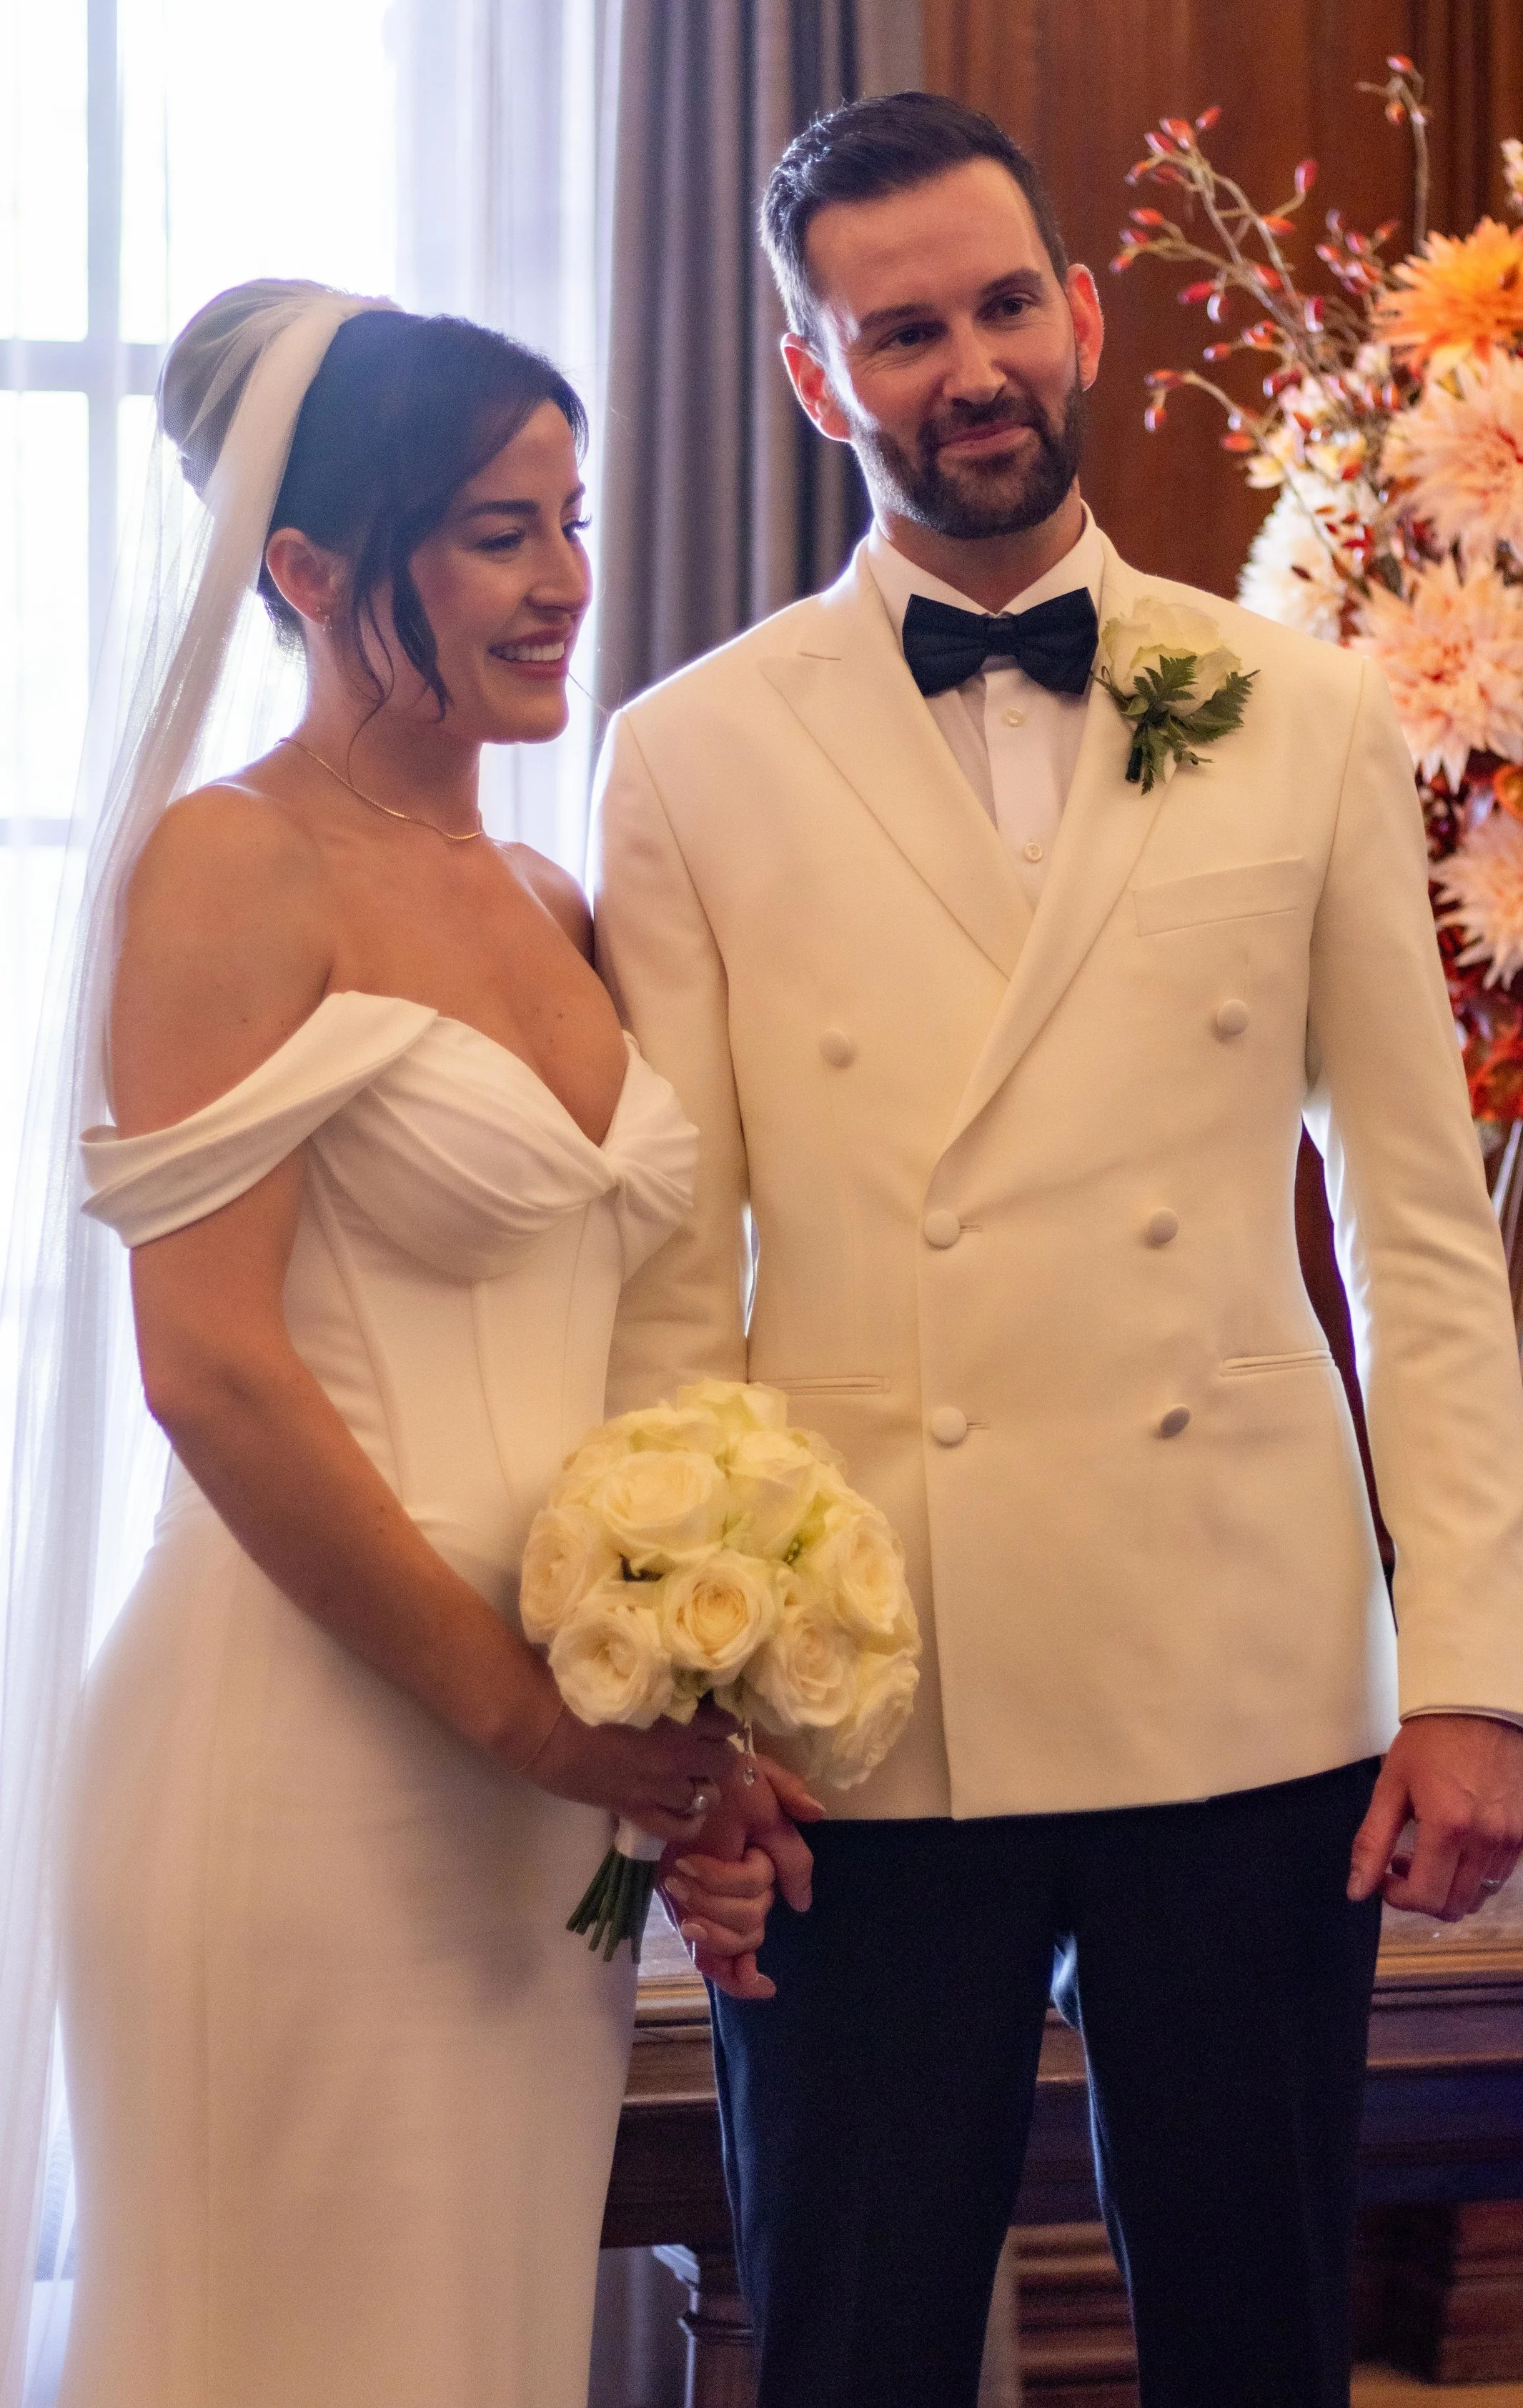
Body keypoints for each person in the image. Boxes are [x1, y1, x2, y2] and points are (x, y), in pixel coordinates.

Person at [592, 93, 1523, 2407]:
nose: (970, 365)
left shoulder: (1301, 708)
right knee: (849, 2333)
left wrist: (1472, 1671)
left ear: (1082, 312)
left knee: (1251, 2336)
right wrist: (683, 1720)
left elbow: (1416, 1219)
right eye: (899, 330)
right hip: (861, 1699)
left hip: (1236, 1669)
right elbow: (659, 1284)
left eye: (1004, 302)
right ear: (820, 377)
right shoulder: (687, 753)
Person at [54, 282, 815, 2408]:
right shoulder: (230, 866)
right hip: (305, 1762)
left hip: (535, 1816)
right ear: (306, 569)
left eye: (570, 516)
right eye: (497, 530)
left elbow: (624, 1362)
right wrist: (526, 1713)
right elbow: (209, 1371)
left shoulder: (556, 897)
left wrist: (675, 1723)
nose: (565, 578)